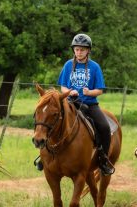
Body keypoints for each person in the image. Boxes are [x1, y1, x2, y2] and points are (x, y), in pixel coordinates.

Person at [36, 33, 115, 175]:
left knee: (104, 127)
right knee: (48, 120)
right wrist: (70, 92)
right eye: (77, 49)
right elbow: (63, 86)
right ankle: (43, 156)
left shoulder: (95, 67)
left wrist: (89, 92)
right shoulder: (68, 65)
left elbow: (100, 90)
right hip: (70, 102)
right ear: (74, 50)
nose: (79, 52)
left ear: (88, 51)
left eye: (82, 50)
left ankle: (104, 159)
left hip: (90, 104)